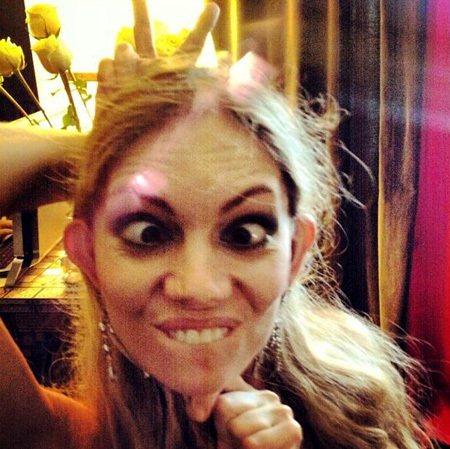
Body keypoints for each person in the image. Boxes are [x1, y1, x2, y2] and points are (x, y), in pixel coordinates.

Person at [0, 2, 430, 448]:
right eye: (149, 233)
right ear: (88, 256)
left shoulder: (358, 404)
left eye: (245, 234)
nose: (199, 288)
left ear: (295, 253)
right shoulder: (76, 436)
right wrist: (111, 145)